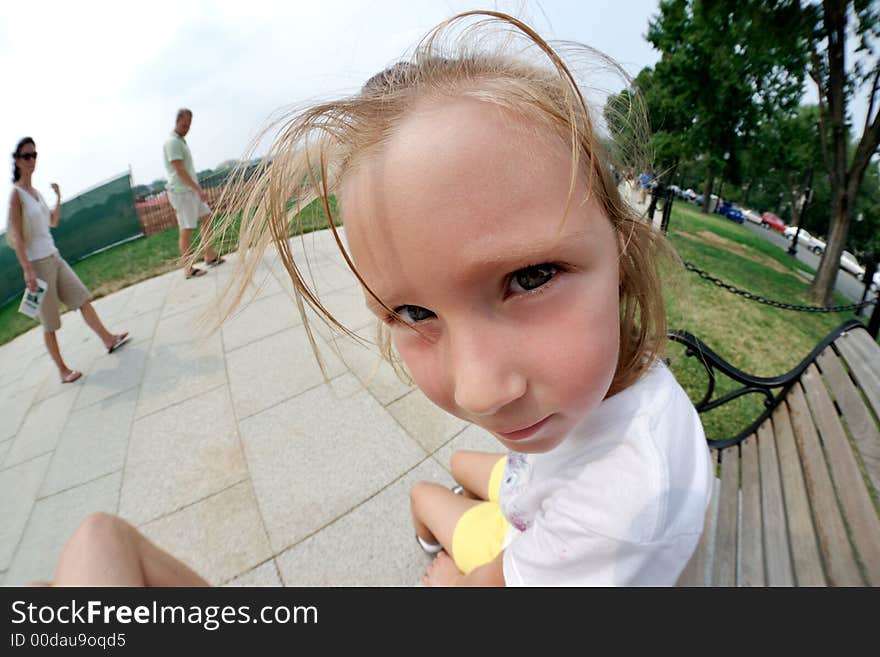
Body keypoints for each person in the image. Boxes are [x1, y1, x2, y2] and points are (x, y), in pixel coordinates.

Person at [40, 11, 711, 587]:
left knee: (99, 547)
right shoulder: (616, 388)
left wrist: (452, 576)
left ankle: (429, 521)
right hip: (541, 493)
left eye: (531, 277)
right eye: (414, 313)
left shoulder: (622, 499)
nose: (478, 392)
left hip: (540, 533)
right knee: (97, 541)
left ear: (622, 245)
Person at [6, 137, 129, 384]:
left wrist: (58, 198)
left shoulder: (36, 193)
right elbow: (17, 236)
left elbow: (52, 222)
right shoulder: (16, 195)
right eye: (27, 156)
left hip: (54, 256)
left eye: (34, 155)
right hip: (37, 265)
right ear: (18, 161)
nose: (32, 160)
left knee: (82, 297)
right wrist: (27, 270)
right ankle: (62, 371)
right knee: (50, 322)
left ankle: (108, 339)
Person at [162, 108, 224, 279]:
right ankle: (188, 268)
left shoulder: (180, 141)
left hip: (190, 191)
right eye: (183, 125)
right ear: (177, 121)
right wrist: (198, 189)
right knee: (186, 229)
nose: (186, 129)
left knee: (207, 218)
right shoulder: (172, 142)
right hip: (182, 193)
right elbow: (179, 170)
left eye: (188, 126)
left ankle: (209, 256)